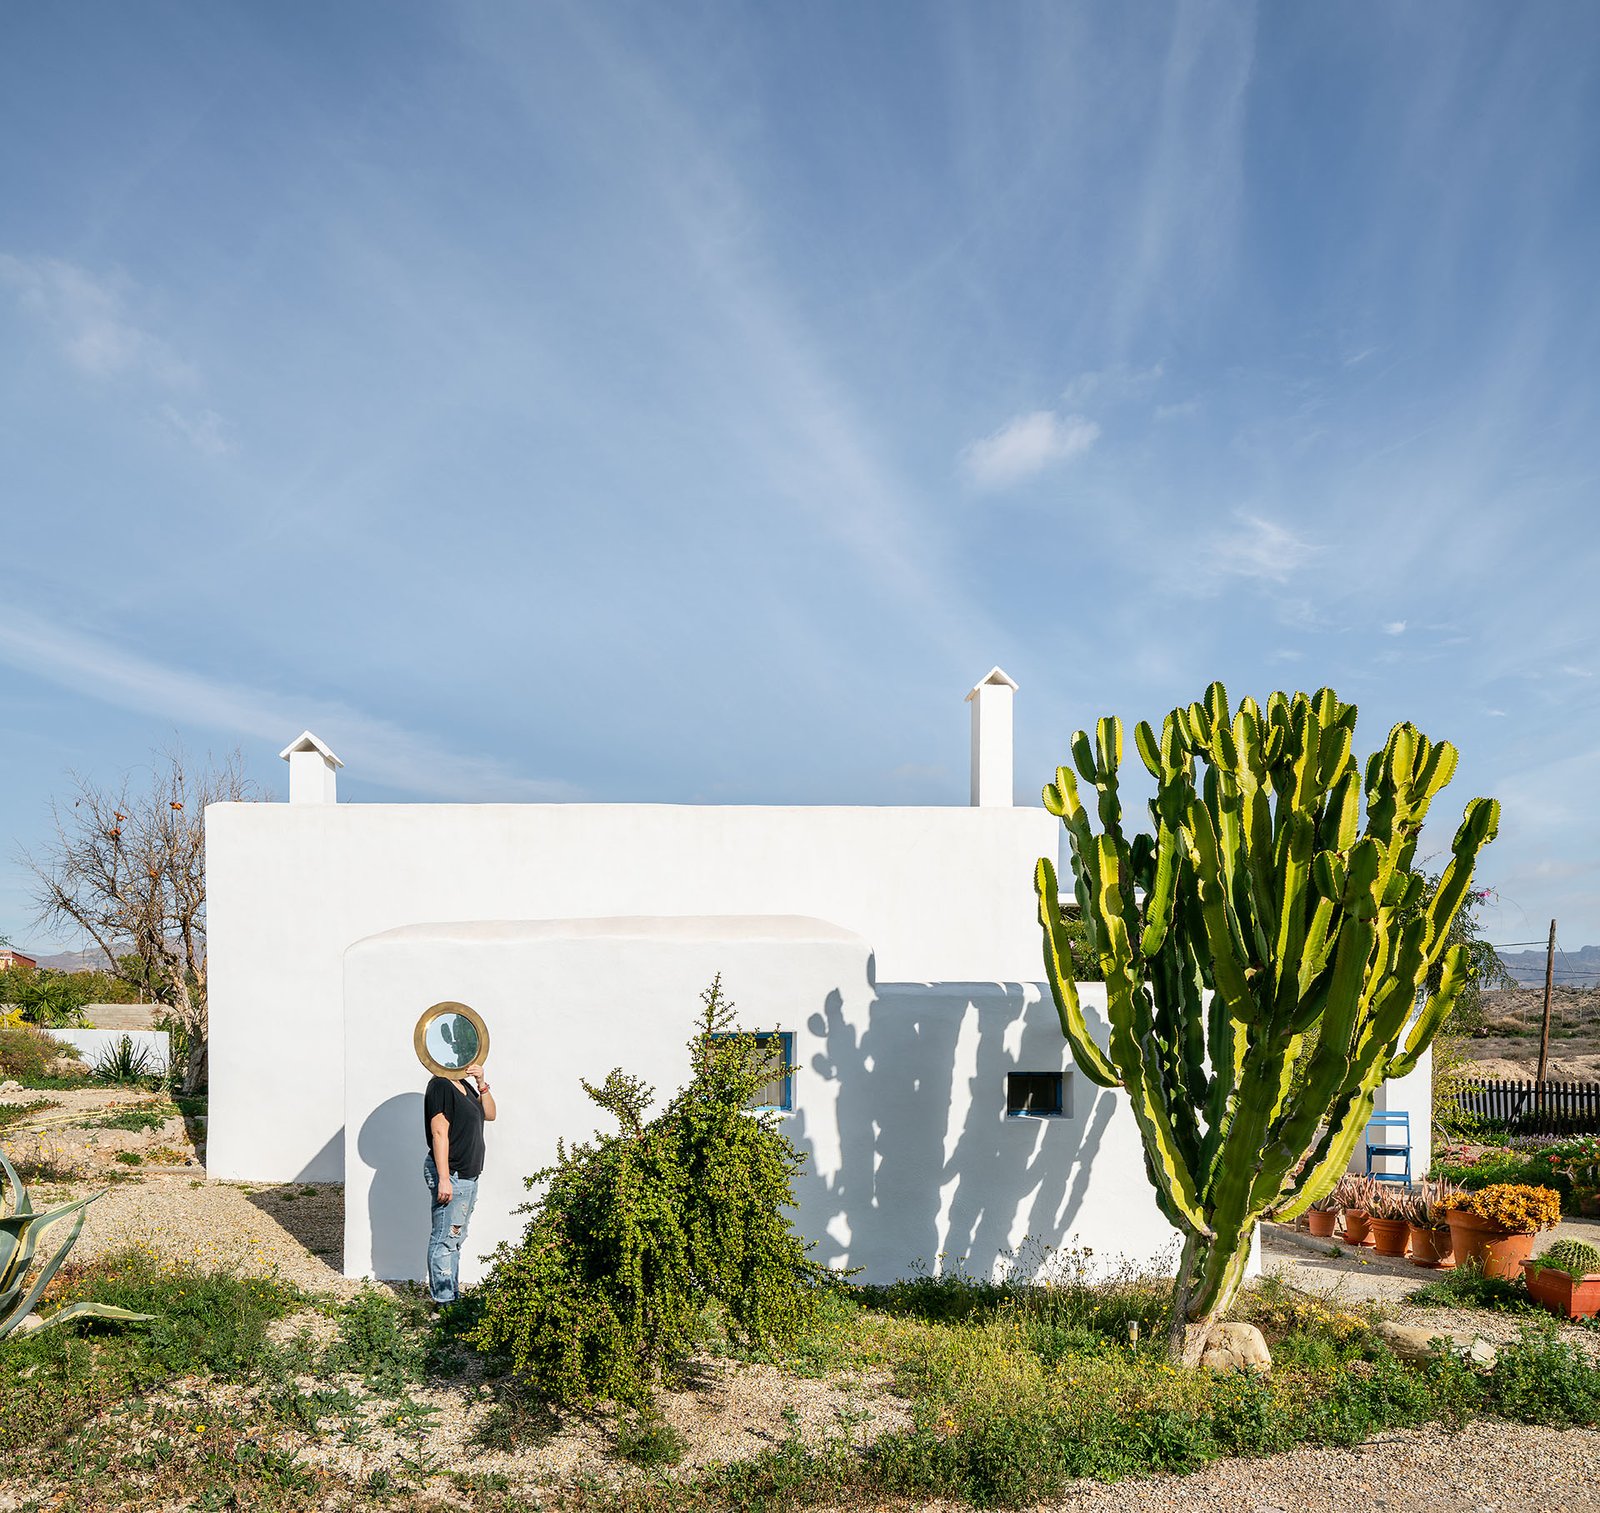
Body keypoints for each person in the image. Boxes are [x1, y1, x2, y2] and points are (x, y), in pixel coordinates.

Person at [422, 1059, 496, 1305]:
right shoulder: (440, 1086)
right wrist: (444, 1179)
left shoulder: (464, 1085)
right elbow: (439, 1133)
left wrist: (482, 1083)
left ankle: (451, 1296)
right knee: (444, 1238)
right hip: (452, 1174)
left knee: (454, 1239)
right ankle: (443, 1303)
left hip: (468, 1174)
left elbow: (490, 1114)